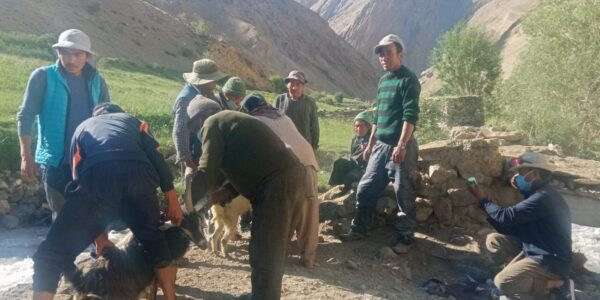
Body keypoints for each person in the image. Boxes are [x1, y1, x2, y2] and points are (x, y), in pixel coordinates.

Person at [31, 103, 183, 300]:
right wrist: (173, 201)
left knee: (50, 256)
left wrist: (100, 237)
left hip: (99, 176)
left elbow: (79, 181)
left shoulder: (83, 126)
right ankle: (171, 297)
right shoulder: (135, 122)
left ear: (97, 115)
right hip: (139, 177)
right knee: (156, 246)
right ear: (119, 113)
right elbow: (157, 158)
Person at [188, 107, 305, 299]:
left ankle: (262, 297)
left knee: (264, 252)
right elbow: (247, 171)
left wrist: (186, 206)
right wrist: (211, 199)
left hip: (276, 187)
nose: (197, 134)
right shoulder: (233, 125)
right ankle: (262, 295)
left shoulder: (212, 123)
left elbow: (205, 171)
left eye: (194, 128)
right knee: (274, 250)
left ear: (201, 117)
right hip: (293, 178)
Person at [339, 34, 421, 255]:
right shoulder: (383, 81)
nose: (383, 57)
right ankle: (360, 229)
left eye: (388, 52)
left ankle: (405, 237)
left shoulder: (408, 80)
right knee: (366, 188)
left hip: (400, 146)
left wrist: (402, 145)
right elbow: (377, 117)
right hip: (381, 146)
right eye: (381, 54)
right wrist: (371, 143)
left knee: (404, 193)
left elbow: (410, 116)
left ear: (400, 55)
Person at [17, 29, 110, 220]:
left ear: (87, 56)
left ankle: (97, 250)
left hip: (89, 160)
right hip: (56, 163)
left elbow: (106, 121)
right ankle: (65, 250)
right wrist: (25, 155)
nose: (71, 60)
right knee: (62, 219)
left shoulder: (97, 82)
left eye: (78, 54)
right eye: (65, 53)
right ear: (58, 53)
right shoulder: (42, 77)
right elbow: (25, 115)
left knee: (93, 216)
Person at [468, 152, 573, 299]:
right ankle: (520, 271)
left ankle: (555, 284)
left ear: (534, 173)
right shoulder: (537, 195)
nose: (517, 177)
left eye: (521, 173)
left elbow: (505, 217)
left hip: (551, 259)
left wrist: (483, 200)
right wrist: (487, 214)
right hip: (534, 247)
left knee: (503, 282)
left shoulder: (544, 198)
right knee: (494, 239)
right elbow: (507, 227)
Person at [242, 93, 320, 268]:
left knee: (281, 209)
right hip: (309, 161)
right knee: (308, 212)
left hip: (290, 166)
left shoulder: (256, 122)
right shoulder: (280, 115)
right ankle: (308, 256)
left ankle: (277, 254)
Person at [328, 110, 374, 197]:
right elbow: (352, 155)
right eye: (356, 126)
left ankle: (345, 190)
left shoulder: (372, 140)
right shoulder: (355, 139)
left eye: (362, 126)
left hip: (366, 169)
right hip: (355, 165)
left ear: (368, 127)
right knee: (339, 163)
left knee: (350, 176)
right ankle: (335, 186)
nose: (358, 129)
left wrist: (367, 149)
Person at [275, 70, 319, 150]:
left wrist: (314, 147)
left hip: (304, 147)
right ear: (287, 85)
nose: (294, 87)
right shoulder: (280, 100)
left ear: (303, 86)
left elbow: (314, 126)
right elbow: (275, 124)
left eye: (298, 84)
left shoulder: (309, 102)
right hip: (285, 147)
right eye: (291, 83)